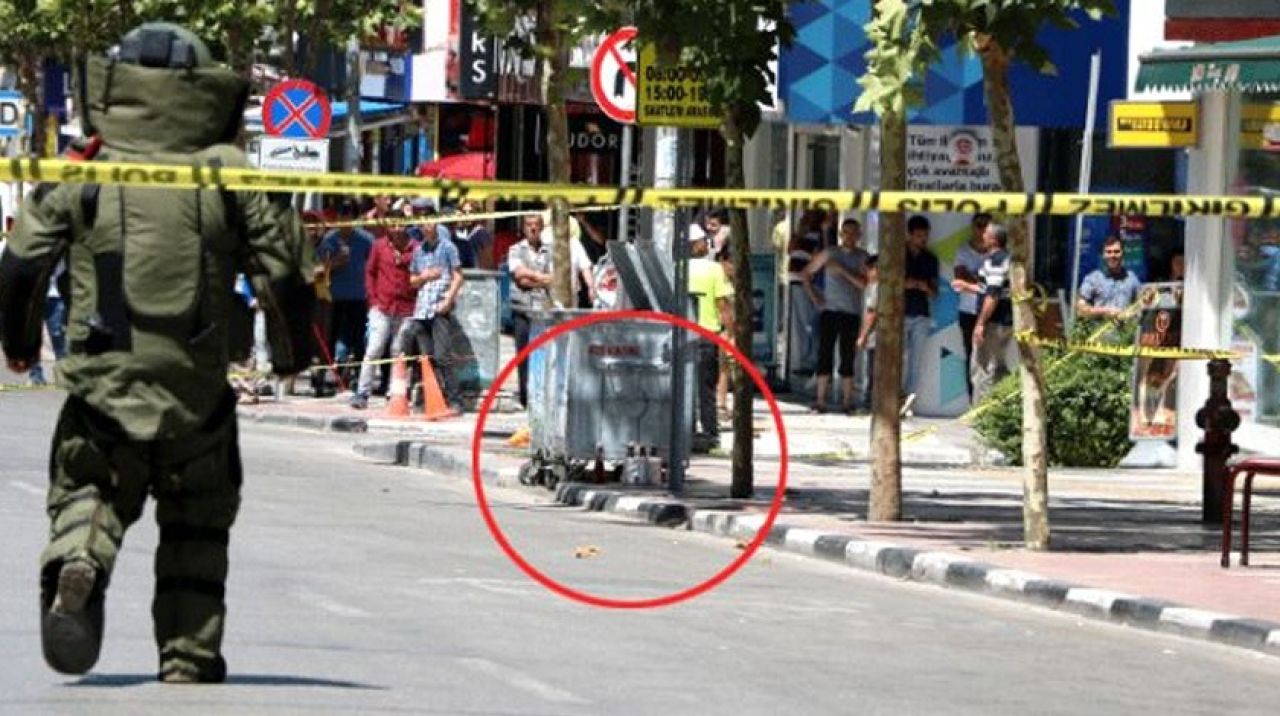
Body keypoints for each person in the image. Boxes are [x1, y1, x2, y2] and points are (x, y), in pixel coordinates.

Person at [0, 23, 313, 683]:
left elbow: (22, 265)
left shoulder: (85, 165)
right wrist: (289, 355)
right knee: (197, 526)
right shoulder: (229, 175)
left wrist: (21, 344)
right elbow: (281, 271)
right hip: (197, 390)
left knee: (89, 490)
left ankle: (80, 556)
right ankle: (189, 656)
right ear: (205, 92)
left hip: (101, 389)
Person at [802, 218, 869, 414]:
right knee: (825, 354)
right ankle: (821, 399)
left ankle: (847, 400)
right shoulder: (830, 253)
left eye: (853, 233)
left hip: (851, 311)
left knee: (848, 357)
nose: (849, 237)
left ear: (859, 235)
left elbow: (863, 283)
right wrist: (815, 297)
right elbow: (806, 274)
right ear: (840, 234)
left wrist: (841, 270)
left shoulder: (862, 257)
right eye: (846, 232)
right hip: (829, 310)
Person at [350, 220, 419, 410]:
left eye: (400, 225)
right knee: (374, 349)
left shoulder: (416, 247)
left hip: (406, 308)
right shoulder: (379, 246)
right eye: (393, 225)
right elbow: (370, 272)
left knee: (399, 352)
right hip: (381, 306)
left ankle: (394, 393)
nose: (396, 229)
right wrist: (372, 300)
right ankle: (362, 392)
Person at [403, 214, 465, 413]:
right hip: (422, 309)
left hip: (439, 308)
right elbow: (412, 280)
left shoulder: (447, 247)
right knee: (426, 357)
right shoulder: (418, 250)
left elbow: (458, 275)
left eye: (429, 222)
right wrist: (424, 276)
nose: (426, 226)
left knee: (442, 356)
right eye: (422, 223)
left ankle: (456, 400)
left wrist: (448, 300)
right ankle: (431, 398)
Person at [317, 200, 373, 385]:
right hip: (335, 297)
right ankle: (328, 374)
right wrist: (335, 262)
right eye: (342, 216)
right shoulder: (329, 240)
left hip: (358, 295)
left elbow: (373, 265)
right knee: (331, 336)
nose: (345, 220)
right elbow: (319, 269)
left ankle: (359, 374)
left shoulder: (366, 240)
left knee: (359, 338)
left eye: (348, 216)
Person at [688, 225, 733, 453]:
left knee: (684, 389)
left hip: (682, 336)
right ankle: (710, 434)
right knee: (706, 389)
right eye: (705, 241)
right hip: (707, 336)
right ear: (698, 244)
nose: (708, 244)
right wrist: (731, 331)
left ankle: (685, 432)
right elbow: (722, 304)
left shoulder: (677, 268)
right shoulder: (714, 270)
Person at [509, 213, 553, 407]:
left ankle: (541, 395)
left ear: (541, 228)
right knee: (524, 354)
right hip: (523, 309)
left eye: (536, 225)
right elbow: (519, 276)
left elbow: (555, 278)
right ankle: (525, 397)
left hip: (543, 310)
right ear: (524, 228)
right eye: (529, 225)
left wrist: (532, 278)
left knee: (544, 354)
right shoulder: (516, 249)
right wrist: (542, 278)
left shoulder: (550, 251)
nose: (532, 228)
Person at [949, 212, 992, 402]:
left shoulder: (997, 252)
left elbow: (995, 284)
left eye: (986, 226)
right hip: (968, 310)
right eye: (978, 225)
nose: (982, 230)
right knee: (971, 357)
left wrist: (973, 282)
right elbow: (959, 277)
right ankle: (972, 402)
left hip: (992, 311)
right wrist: (981, 283)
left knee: (990, 359)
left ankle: (989, 401)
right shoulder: (963, 250)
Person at [970, 223, 1015, 402]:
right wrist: (967, 286)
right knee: (998, 367)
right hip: (1003, 321)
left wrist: (981, 324)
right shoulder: (1008, 259)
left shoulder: (995, 261)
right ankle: (1000, 410)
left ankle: (983, 414)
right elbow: (990, 288)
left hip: (994, 322)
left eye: (986, 234)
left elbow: (993, 295)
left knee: (983, 367)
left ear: (993, 240)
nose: (982, 236)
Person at [903, 215, 939, 414]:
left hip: (921, 313)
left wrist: (922, 286)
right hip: (899, 313)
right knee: (897, 359)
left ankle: (908, 402)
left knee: (915, 362)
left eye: (925, 236)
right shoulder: (898, 254)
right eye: (918, 236)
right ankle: (893, 398)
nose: (922, 240)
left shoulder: (930, 259)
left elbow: (934, 293)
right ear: (909, 235)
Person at [1077, 235, 1141, 319]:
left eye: (1116, 251)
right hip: (1100, 329)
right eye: (1108, 252)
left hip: (1125, 329)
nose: (1112, 255)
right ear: (1103, 255)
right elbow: (1080, 309)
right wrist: (1105, 311)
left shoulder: (1132, 278)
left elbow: (1140, 306)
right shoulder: (1093, 279)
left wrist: (1131, 314)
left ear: (1123, 253)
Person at [855, 256, 879, 410]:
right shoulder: (872, 286)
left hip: (876, 337)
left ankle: (869, 402)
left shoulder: (877, 287)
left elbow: (873, 314)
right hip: (875, 337)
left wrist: (864, 336)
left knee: (872, 371)